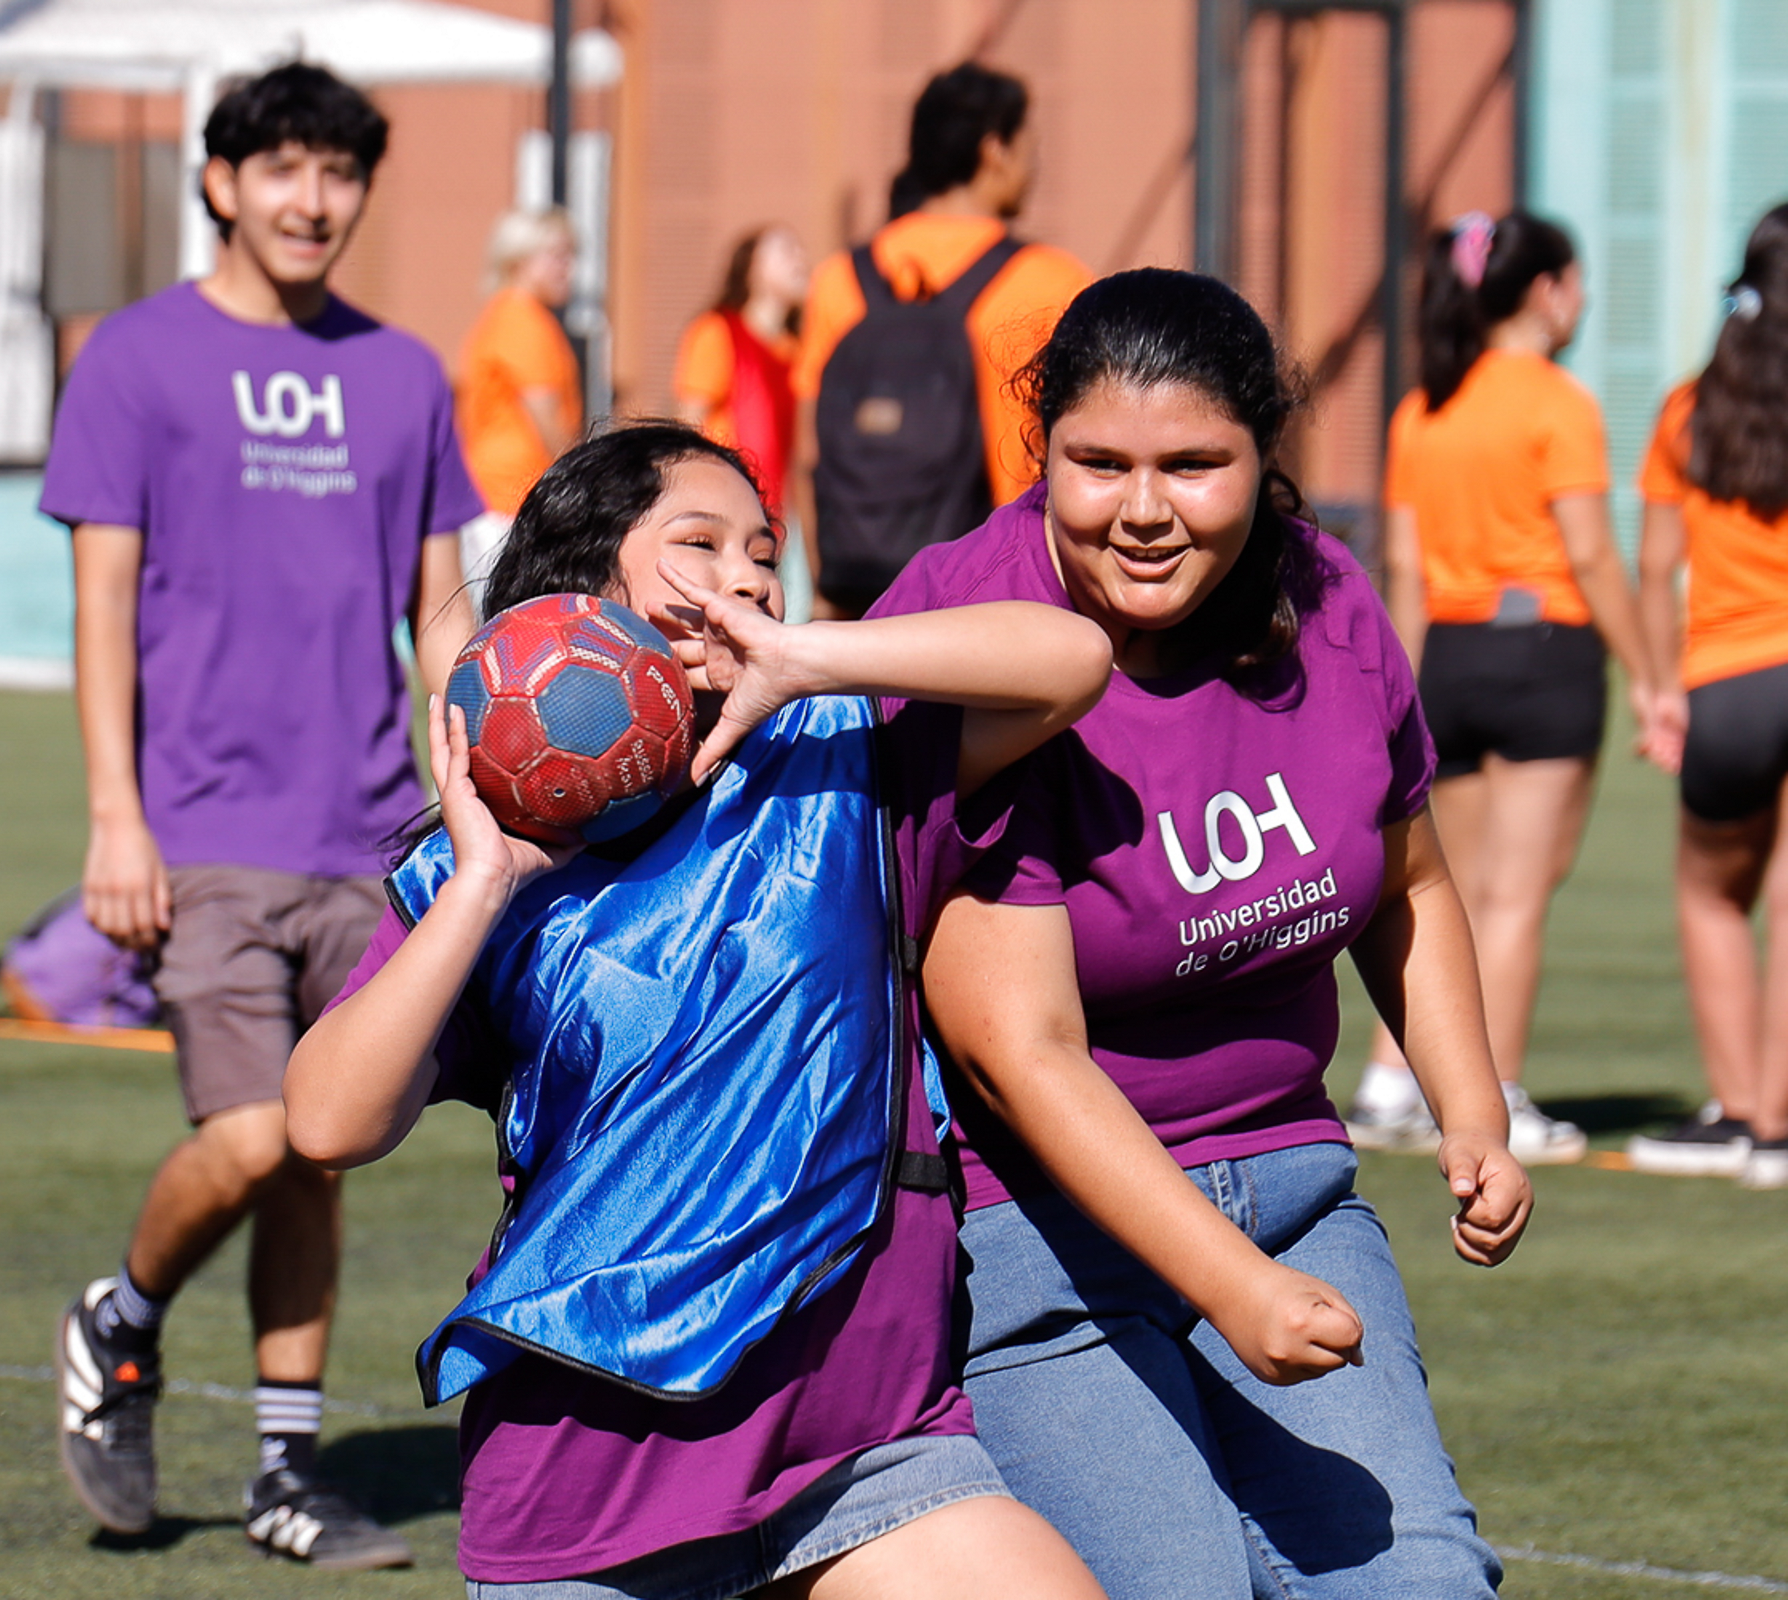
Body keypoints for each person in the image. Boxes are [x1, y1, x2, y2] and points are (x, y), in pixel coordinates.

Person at [284, 421, 1115, 1599]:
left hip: (864, 1436)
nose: (745, 573)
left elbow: (1070, 658)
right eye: (700, 542)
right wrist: (480, 886)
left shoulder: (839, 755)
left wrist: (814, 657)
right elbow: (324, 1122)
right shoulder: (494, 865)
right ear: (583, 588)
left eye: (762, 550)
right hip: (597, 1459)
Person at [881, 268, 1532, 1599]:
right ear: (1040, 449)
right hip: (1039, 1243)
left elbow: (1405, 879)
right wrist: (1228, 1288)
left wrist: (1471, 1111)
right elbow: (1016, 1053)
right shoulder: (962, 621)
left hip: (1292, 1202)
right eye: (1097, 464)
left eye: (1192, 466)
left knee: (1418, 1585)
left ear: (1262, 456)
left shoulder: (1327, 596)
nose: (1140, 510)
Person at [38, 63, 477, 1568]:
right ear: (220, 180)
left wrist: (460, 785)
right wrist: (114, 815)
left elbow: (437, 604)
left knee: (320, 1150)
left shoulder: (407, 373)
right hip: (204, 829)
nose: (311, 200)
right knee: (242, 1136)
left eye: (338, 173)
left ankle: (288, 1473)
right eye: (281, 168)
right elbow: (99, 602)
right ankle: (123, 1316)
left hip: (363, 835)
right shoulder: (134, 361)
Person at [1346, 211, 1665, 1165]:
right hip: (1545, 658)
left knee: (1439, 889)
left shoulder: (1421, 408)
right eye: (1577, 281)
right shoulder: (1558, 402)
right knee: (1516, 894)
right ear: (1545, 290)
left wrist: (1390, 693)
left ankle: (1389, 1082)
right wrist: (1652, 673)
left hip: (1448, 659)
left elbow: (1403, 571)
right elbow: (1593, 557)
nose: (1585, 300)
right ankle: (1504, 1090)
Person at [795, 62, 1090, 617]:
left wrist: (824, 584)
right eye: (1031, 147)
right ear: (994, 149)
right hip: (999, 586)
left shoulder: (840, 278)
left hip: (857, 581)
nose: (1035, 167)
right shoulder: (1055, 280)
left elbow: (808, 451)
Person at [1625, 202, 1788, 1185]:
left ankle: (1734, 1109)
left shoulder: (1690, 406)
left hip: (1723, 680)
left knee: (1710, 893)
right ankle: (1780, 1126)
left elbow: (1654, 567)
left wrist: (1656, 687)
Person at [454, 207, 583, 580]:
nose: (568, 268)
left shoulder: (503, 314)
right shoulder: (523, 321)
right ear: (519, 259)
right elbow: (549, 423)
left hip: (496, 493)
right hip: (511, 495)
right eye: (558, 257)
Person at [673, 224, 809, 511]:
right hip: (726, 501)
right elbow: (689, 423)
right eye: (787, 251)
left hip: (781, 511)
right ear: (751, 268)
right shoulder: (718, 331)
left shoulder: (799, 348)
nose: (801, 260)